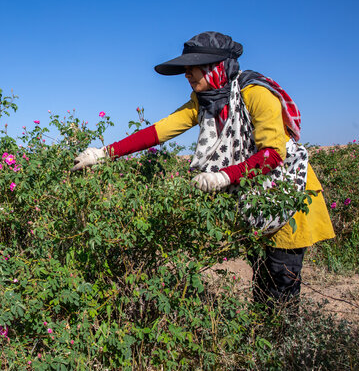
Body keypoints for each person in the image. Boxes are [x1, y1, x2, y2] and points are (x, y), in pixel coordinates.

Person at [71, 31, 335, 311]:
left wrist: (223, 176)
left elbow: (272, 154)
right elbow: (159, 131)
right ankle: (263, 342)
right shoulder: (205, 101)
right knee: (261, 279)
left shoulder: (256, 94)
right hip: (255, 201)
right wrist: (103, 153)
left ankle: (285, 349)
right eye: (185, 69)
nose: (187, 75)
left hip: (287, 197)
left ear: (215, 67)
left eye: (191, 68)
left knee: (281, 284)